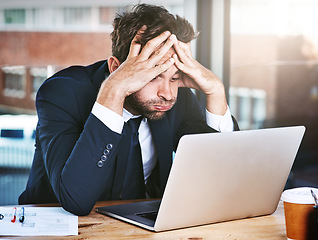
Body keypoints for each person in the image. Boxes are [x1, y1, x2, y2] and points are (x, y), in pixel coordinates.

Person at [19, 4, 239, 216]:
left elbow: (222, 177)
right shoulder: (61, 93)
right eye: (153, 76)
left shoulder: (175, 99)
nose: (168, 93)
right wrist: (114, 89)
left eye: (175, 77)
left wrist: (216, 91)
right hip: (54, 226)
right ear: (116, 67)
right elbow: (75, 199)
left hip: (138, 226)